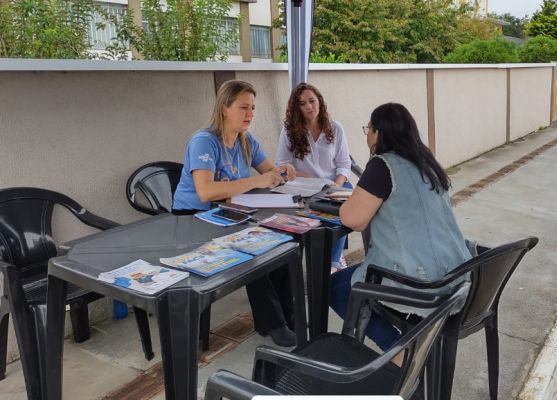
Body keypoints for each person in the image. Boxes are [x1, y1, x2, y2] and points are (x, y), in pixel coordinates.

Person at [329, 103, 472, 351]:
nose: (368, 135)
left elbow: (353, 219)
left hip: (418, 281)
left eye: (368, 129)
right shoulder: (426, 162)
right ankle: (406, 342)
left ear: (378, 133)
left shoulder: (383, 165)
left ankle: (398, 348)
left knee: (336, 287)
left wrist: (347, 200)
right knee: (354, 278)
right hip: (455, 273)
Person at [172, 79, 298, 347]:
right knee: (254, 250)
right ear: (224, 108)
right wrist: (256, 181)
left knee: (283, 243)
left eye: (253, 108)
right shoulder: (204, 141)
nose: (250, 114)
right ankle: (273, 324)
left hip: (230, 213)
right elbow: (205, 192)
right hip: (194, 217)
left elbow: (268, 172)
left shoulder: (246, 140)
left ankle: (289, 317)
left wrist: (282, 172)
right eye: (243, 107)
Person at [276, 83, 352, 272]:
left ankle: (333, 262)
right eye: (303, 104)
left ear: (320, 102)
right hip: (304, 186)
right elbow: (283, 165)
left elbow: (344, 164)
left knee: (346, 203)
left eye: (312, 101)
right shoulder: (289, 132)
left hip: (334, 185)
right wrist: (312, 180)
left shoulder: (335, 128)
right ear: (297, 109)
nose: (309, 107)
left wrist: (336, 185)